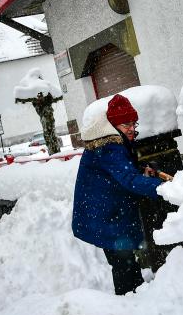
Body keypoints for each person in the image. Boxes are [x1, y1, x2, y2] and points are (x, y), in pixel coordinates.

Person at [71, 94, 171, 295]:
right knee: (123, 263)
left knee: (124, 260)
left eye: (134, 123)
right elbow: (128, 179)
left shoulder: (110, 143)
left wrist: (143, 171)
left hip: (104, 213)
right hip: (104, 216)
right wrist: (162, 187)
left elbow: (122, 172)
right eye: (126, 124)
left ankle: (133, 297)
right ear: (114, 126)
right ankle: (128, 301)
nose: (132, 129)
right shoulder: (110, 147)